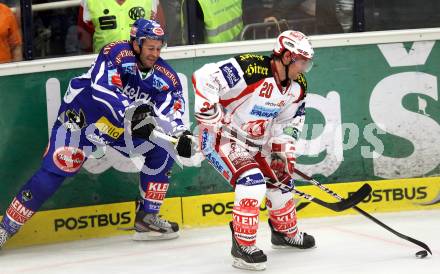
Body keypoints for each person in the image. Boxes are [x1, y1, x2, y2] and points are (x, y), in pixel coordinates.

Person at [0, 19, 194, 249]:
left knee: (164, 148)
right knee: (55, 170)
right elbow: (103, 90)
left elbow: (174, 108)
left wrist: (180, 133)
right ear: (136, 43)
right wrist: (131, 114)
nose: (155, 54)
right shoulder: (116, 53)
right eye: (150, 48)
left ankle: (147, 218)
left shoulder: (165, 77)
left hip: (120, 127)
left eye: (159, 48)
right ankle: (6, 228)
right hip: (82, 117)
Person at [192, 30, 316, 270]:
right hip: (221, 138)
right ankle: (242, 245)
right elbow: (204, 75)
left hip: (256, 143)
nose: (304, 67)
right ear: (287, 56)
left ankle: (284, 233)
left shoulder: (298, 85)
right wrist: (209, 111)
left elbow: (290, 121)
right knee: (252, 182)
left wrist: (282, 148)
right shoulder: (250, 68)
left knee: (281, 179)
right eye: (301, 61)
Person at [78, 0, 166, 53]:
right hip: (105, 68)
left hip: (140, 67)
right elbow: (84, 40)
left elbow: (160, 32)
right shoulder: (89, 1)